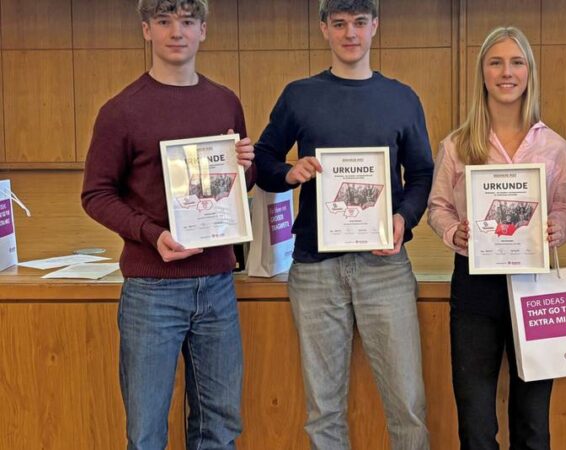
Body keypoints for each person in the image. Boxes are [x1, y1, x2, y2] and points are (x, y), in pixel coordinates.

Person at [252, 0, 433, 448]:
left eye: (358, 23)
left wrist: (402, 217)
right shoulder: (300, 95)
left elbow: (422, 174)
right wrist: (289, 173)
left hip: (385, 269)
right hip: (315, 270)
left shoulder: (401, 98)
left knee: (407, 406)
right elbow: (264, 159)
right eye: (339, 24)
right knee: (323, 411)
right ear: (323, 30)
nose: (349, 34)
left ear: (374, 26)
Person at [81, 1, 255, 448]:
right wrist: (151, 234)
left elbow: (232, 189)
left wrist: (244, 169)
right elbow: (96, 194)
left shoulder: (224, 102)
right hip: (151, 290)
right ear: (146, 30)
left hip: (217, 283)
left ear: (203, 31)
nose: (176, 32)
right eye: (163, 22)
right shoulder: (120, 111)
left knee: (220, 427)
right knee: (145, 433)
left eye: (187, 22)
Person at [427, 26, 566, 450]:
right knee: (475, 423)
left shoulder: (555, 147)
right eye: (496, 62)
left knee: (533, 423)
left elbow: (564, 208)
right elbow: (438, 207)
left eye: (516, 62)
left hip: (537, 285)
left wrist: (556, 228)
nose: (506, 72)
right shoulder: (456, 145)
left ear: (529, 72)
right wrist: (456, 232)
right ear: (483, 73)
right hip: (475, 286)